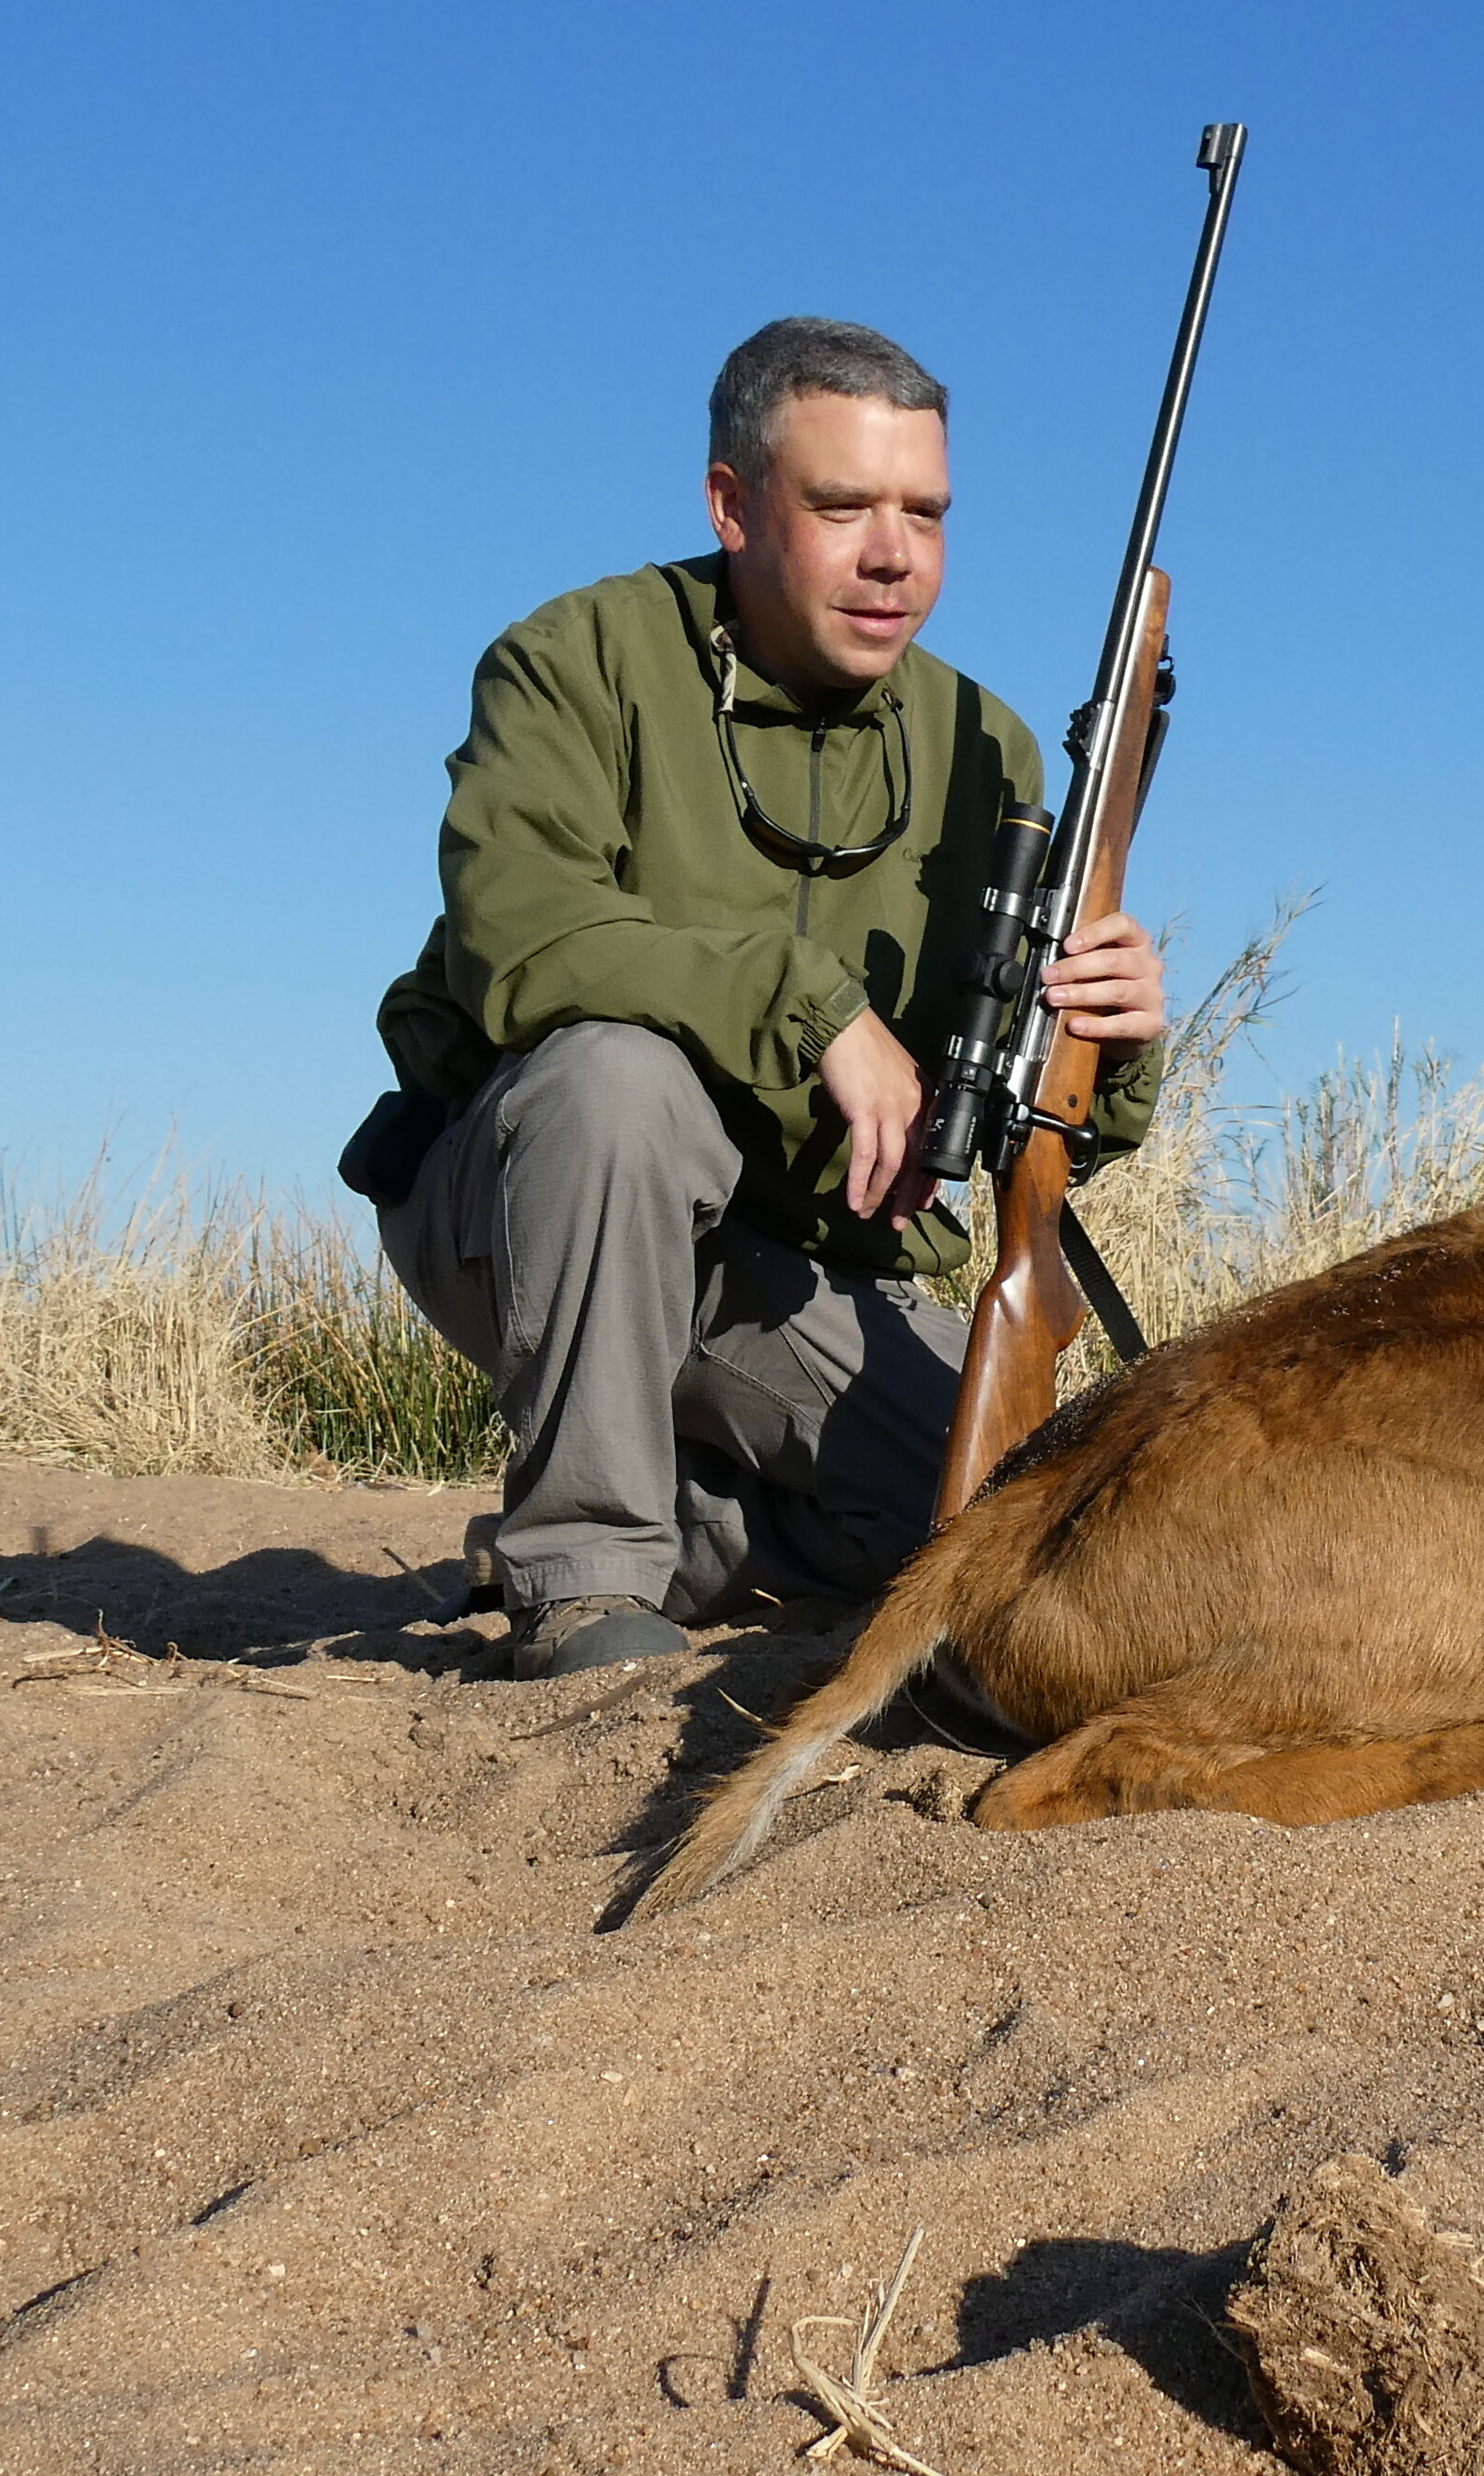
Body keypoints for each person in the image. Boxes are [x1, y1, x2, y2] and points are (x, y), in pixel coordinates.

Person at [359, 319, 1170, 1676]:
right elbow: (515, 940)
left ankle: (691, 1542)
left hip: (783, 1269)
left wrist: (1114, 1034)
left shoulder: (989, 746)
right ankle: (587, 1577)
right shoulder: (574, 659)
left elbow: (1043, 1119)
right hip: (526, 1209)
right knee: (618, 1081)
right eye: (843, 505)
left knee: (1018, 1528)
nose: (894, 555)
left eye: (925, 512)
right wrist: (813, 1007)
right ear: (732, 507)